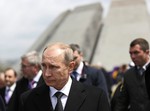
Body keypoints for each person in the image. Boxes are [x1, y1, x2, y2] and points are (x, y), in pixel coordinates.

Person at [20, 42, 110, 111]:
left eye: (53, 67)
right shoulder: (28, 99)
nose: (47, 73)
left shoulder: (96, 97)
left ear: (70, 67)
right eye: (44, 66)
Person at [113, 38, 150, 111]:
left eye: (136, 52)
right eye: (131, 53)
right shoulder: (128, 74)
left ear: (147, 52)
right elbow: (122, 101)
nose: (133, 56)